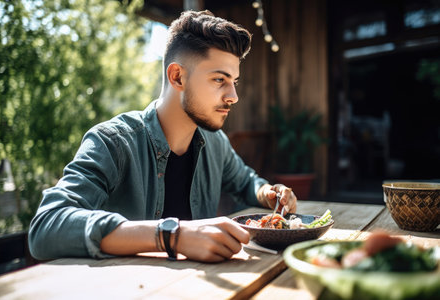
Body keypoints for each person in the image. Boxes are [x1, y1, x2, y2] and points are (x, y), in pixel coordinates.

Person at [28, 10, 297, 263]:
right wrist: (171, 236)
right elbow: (46, 227)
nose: (233, 96)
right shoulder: (112, 142)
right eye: (219, 80)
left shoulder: (215, 143)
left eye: (233, 82)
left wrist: (268, 194)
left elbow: (245, 182)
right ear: (177, 77)